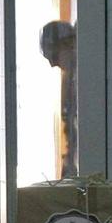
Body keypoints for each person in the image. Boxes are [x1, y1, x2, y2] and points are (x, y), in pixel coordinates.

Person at [40, 19, 78, 177]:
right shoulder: (69, 78)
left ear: (67, 44)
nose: (54, 65)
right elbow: (68, 123)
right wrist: (68, 160)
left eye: (55, 59)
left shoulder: (84, 75)